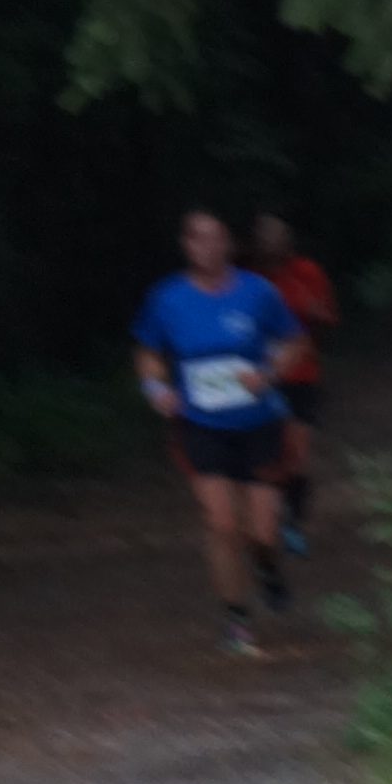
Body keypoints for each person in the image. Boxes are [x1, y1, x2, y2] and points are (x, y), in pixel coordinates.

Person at [131, 207, 308, 658]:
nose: (208, 247)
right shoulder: (168, 298)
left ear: (228, 245)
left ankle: (267, 568)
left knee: (262, 534)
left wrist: (268, 373)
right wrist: (157, 389)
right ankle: (237, 619)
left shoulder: (257, 292)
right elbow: (148, 353)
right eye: (198, 239)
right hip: (202, 424)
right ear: (186, 246)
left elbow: (295, 342)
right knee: (221, 524)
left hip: (258, 423)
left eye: (216, 238)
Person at [246, 211, 341, 556]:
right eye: (267, 237)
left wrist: (318, 316)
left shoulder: (307, 272)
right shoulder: (246, 278)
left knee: (298, 455)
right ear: (256, 242)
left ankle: (293, 523)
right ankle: (264, 520)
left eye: (280, 236)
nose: (274, 243)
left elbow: (330, 320)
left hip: (301, 374)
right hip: (258, 377)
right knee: (266, 452)